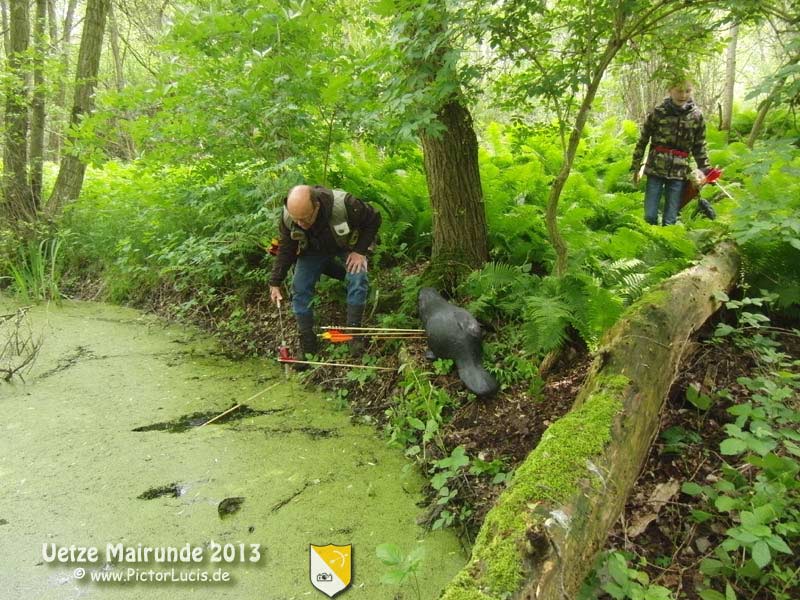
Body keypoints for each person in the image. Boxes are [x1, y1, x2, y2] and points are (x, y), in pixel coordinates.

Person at [269, 184, 382, 360]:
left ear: (317, 206)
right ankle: (308, 345)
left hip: (347, 245)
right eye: (296, 219)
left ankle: (354, 335)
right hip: (313, 251)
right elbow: (286, 249)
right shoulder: (288, 218)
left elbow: (374, 219)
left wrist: (360, 251)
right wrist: (275, 282)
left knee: (358, 277)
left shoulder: (346, 205)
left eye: (305, 219)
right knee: (299, 287)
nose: (300, 224)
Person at [631, 76, 710, 226]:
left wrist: (705, 170)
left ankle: (664, 246)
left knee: (670, 219)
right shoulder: (658, 112)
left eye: (688, 91)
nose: (683, 95)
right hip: (655, 169)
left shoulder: (696, 116)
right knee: (650, 215)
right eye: (679, 91)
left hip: (679, 173)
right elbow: (643, 140)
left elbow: (700, 145)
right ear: (670, 91)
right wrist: (636, 166)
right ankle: (649, 242)